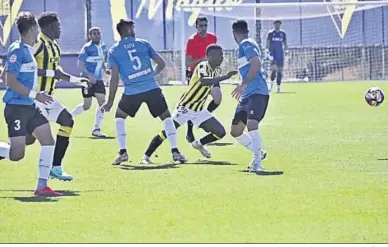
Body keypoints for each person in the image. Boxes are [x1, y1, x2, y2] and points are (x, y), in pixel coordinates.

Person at [101, 19, 186, 165]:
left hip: (131, 91)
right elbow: (162, 63)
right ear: (127, 29)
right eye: (132, 28)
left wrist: (110, 101)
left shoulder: (114, 50)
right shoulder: (143, 43)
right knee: (166, 118)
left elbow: (114, 78)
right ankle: (175, 151)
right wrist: (150, 75)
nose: (134, 30)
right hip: (152, 88)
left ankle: (122, 152)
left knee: (119, 116)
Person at [0, 12, 62, 196]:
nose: (38, 34)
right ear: (34, 28)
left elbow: (5, 76)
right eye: (37, 30)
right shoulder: (18, 50)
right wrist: (36, 95)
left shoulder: (24, 49)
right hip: (17, 108)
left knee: (48, 140)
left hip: (30, 106)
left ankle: (42, 187)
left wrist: (33, 97)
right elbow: (10, 81)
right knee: (17, 155)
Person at [141, 44, 236, 164]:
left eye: (222, 55)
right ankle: (146, 156)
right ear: (209, 56)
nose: (222, 58)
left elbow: (211, 85)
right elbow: (204, 81)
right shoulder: (203, 66)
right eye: (219, 55)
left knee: (220, 132)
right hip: (185, 108)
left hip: (198, 110)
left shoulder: (216, 70)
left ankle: (199, 144)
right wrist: (225, 77)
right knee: (168, 131)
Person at [31, 12, 90, 181]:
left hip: (47, 98)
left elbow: (57, 72)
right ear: (48, 27)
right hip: (34, 99)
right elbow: (26, 67)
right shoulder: (38, 43)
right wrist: (51, 74)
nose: (60, 29)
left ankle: (55, 167)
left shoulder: (54, 45)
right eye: (58, 26)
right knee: (23, 143)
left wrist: (76, 80)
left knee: (67, 121)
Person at [230, 20, 270, 173]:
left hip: (257, 92)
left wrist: (244, 84)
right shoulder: (245, 45)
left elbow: (256, 63)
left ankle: (257, 163)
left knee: (252, 125)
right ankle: (258, 152)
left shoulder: (246, 44)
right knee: (236, 131)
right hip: (247, 95)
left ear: (234, 34)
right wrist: (242, 85)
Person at [185, 16, 221, 143]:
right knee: (192, 105)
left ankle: (203, 118)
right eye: (201, 26)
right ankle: (189, 131)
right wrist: (202, 60)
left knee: (217, 99)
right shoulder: (191, 40)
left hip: (211, 74)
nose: (203, 28)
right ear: (196, 27)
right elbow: (187, 62)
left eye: (205, 25)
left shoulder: (213, 38)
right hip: (197, 76)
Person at [71, 27, 110, 138]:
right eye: (94, 34)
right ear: (90, 36)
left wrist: (105, 69)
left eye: (98, 33)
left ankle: (96, 129)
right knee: (86, 106)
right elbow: (80, 64)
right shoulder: (87, 48)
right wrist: (89, 76)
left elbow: (101, 60)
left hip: (99, 80)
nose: (97, 35)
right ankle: (69, 117)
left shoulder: (103, 46)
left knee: (102, 103)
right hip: (87, 81)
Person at [266, 20, 288, 93]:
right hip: (273, 54)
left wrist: (287, 52)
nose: (277, 26)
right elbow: (268, 43)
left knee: (280, 71)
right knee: (274, 69)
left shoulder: (283, 34)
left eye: (278, 24)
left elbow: (285, 43)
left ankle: (278, 88)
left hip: (280, 54)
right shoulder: (271, 34)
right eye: (276, 24)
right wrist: (267, 51)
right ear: (274, 25)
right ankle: (271, 85)